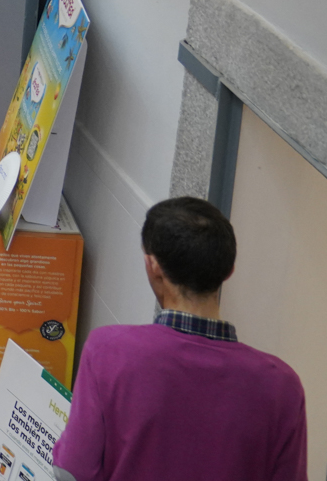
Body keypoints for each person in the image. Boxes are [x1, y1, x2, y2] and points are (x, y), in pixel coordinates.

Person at [51, 197, 306, 481]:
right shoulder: (282, 386)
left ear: (153, 266)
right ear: (229, 271)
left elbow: (72, 471)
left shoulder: (108, 352)